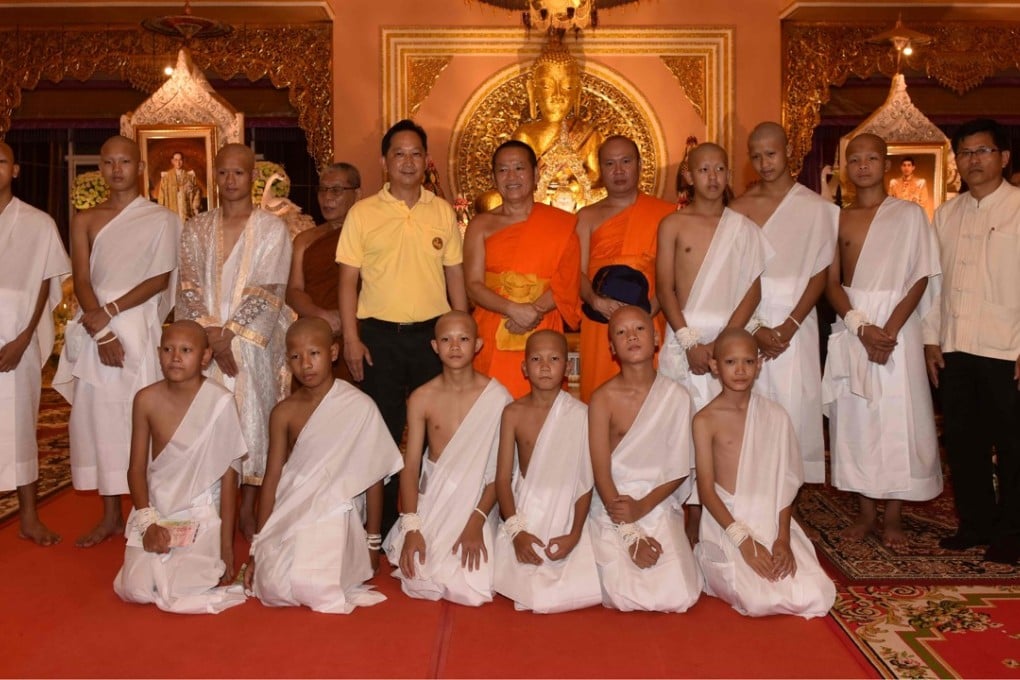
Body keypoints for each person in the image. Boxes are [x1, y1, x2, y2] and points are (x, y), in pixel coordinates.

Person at [337, 119, 468, 535]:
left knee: (437, 431)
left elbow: (455, 276)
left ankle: (432, 520)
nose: (408, 162)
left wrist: (463, 336)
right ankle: (382, 525)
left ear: (426, 160)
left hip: (432, 338)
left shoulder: (442, 211)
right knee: (384, 432)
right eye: (399, 154)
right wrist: (352, 338)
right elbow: (347, 282)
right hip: (379, 338)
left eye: (416, 154)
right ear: (384, 161)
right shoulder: (362, 213)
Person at [53, 134, 180, 548]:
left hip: (138, 326)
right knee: (101, 418)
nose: (116, 170)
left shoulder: (161, 219)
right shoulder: (85, 219)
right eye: (108, 163)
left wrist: (110, 312)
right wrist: (102, 329)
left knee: (141, 417)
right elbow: (82, 279)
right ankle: (110, 515)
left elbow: (160, 278)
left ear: (139, 168)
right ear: (100, 168)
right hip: (97, 329)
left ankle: (149, 511)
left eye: (124, 162)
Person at [823, 133, 942, 547]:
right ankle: (865, 513)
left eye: (871, 158)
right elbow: (831, 282)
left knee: (897, 417)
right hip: (854, 323)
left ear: (885, 165)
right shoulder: (837, 218)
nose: (863, 166)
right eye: (855, 159)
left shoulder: (909, 215)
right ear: (845, 167)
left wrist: (889, 330)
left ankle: (893, 515)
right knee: (856, 417)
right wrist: (860, 327)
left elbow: (920, 275)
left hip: (898, 328)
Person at [246, 318, 402, 614]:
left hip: (337, 506)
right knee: (271, 588)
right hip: (293, 503)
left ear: (332, 353)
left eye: (314, 353)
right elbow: (273, 476)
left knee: (317, 587)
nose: (305, 364)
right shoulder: (283, 412)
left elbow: (373, 476)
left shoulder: (360, 406)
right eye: (296, 357)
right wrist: (258, 545)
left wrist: (372, 543)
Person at [177, 142, 292, 542]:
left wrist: (230, 336)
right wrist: (210, 334)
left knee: (253, 415)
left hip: (252, 340)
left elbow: (269, 287)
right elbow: (188, 285)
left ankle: (246, 506)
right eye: (223, 172)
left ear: (252, 177)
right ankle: (209, 503)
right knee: (207, 417)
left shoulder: (272, 229)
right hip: (204, 340)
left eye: (238, 173)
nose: (230, 180)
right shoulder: (196, 228)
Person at [923, 118, 1020, 564]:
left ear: (1004, 157)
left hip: (1007, 348)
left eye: (983, 151)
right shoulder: (947, 214)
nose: (973, 160)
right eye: (964, 153)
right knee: (964, 442)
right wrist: (931, 340)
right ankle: (975, 523)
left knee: (1013, 444)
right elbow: (933, 284)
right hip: (956, 346)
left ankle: (1013, 532)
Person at [693, 328, 835, 618]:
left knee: (816, 594)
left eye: (748, 361)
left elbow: (786, 482)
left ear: (758, 365)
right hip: (728, 523)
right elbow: (706, 492)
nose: (740, 370)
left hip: (770, 518)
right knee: (758, 600)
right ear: (715, 366)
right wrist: (744, 541)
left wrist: (782, 538)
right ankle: (708, 558)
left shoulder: (776, 415)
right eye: (731, 362)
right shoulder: (705, 420)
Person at [729, 122, 837, 484]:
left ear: (789, 151)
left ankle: (789, 499)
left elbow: (820, 273)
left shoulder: (816, 208)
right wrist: (755, 327)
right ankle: (750, 493)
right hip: (747, 319)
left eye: (771, 154)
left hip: (797, 321)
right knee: (750, 410)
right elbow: (733, 276)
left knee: (794, 410)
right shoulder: (739, 208)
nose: (764, 164)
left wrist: (790, 324)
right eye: (756, 157)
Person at [113, 321, 247, 614]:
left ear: (205, 356)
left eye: (186, 350)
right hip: (157, 507)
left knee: (187, 585)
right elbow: (136, 468)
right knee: (135, 589)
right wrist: (147, 523)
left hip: (200, 508)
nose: (175, 357)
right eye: (168, 350)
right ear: (158, 353)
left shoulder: (220, 402)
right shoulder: (146, 399)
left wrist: (226, 546)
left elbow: (229, 477)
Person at [382, 311, 512, 606]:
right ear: (434, 346)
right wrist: (412, 526)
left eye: (463, 339)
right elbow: (410, 466)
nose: (455, 346)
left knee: (470, 585)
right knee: (419, 577)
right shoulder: (422, 397)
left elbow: (501, 470)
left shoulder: (498, 397)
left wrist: (477, 521)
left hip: (478, 500)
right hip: (434, 498)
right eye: (446, 340)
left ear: (477, 344)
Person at [587, 306, 702, 612]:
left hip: (657, 500)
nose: (631, 336)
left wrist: (643, 507)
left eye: (639, 328)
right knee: (623, 593)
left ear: (656, 339)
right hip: (613, 503)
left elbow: (680, 466)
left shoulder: (677, 396)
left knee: (680, 594)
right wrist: (629, 531)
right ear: (612, 347)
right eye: (621, 332)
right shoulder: (602, 398)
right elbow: (600, 471)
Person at [493, 330, 602, 613]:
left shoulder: (581, 414)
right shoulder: (512, 413)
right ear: (524, 368)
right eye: (536, 359)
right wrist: (516, 532)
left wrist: (575, 533)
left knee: (580, 588)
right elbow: (502, 479)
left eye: (554, 359)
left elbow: (585, 481)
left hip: (568, 513)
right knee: (523, 585)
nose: (544, 366)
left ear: (567, 367)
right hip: (525, 514)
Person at [656, 142, 770, 411]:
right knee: (681, 419)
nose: (712, 177)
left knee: (729, 419)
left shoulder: (744, 228)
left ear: (729, 175)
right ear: (689, 176)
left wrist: (722, 342)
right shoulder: (672, 224)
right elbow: (664, 288)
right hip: (685, 332)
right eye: (704, 170)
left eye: (719, 169)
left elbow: (753, 292)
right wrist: (688, 343)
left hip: (730, 335)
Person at [464, 140, 581, 398]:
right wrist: (513, 309)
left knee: (538, 405)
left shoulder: (560, 224)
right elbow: (473, 285)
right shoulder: (481, 225)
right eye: (503, 170)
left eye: (519, 168)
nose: (511, 176)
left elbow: (567, 282)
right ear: (494, 177)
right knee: (492, 405)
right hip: (494, 324)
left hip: (542, 326)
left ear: (536, 174)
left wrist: (533, 312)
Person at [0, 141, 71, 546]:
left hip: (16, 342)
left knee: (21, 426)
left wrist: (24, 339)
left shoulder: (38, 223)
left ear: (16, 170)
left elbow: (46, 282)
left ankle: (28, 516)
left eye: (1, 161)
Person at [575, 135, 675, 402]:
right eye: (610, 163)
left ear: (639, 165)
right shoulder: (586, 216)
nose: (618, 170)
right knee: (600, 395)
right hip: (600, 319)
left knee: (649, 400)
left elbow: (672, 277)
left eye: (626, 162)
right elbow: (576, 273)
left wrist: (645, 314)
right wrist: (595, 301)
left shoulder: (666, 214)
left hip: (649, 316)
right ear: (600, 169)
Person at [509, 32, 603, 210]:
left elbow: (595, 174)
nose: (557, 96)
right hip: (538, 200)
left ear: (577, 92)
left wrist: (575, 187)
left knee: (607, 199)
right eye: (546, 86)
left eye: (568, 87)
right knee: (491, 201)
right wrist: (544, 189)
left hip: (575, 199)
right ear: (532, 90)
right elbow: (517, 176)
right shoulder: (525, 134)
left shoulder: (589, 133)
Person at [286, 162, 360, 380]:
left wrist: (347, 319)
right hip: (314, 335)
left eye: (336, 190)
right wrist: (321, 316)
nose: (327, 198)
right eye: (322, 190)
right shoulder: (305, 240)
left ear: (357, 194)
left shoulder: (370, 237)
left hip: (359, 333)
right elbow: (293, 291)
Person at [155, 151, 203, 222]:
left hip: (186, 212)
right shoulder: (166, 178)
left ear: (183, 161)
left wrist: (195, 207)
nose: (178, 162)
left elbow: (197, 192)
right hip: (171, 211)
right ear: (172, 161)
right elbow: (161, 197)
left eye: (180, 160)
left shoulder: (190, 177)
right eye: (176, 160)